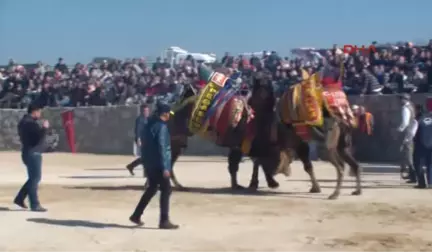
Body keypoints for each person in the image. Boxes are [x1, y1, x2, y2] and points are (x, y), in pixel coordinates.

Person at [129, 103, 179, 229]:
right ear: (165, 114)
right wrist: (165, 168)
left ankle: (136, 215)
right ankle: (164, 220)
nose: (169, 117)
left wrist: (146, 162)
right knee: (166, 189)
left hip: (150, 163)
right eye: (169, 114)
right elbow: (162, 148)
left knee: (151, 189)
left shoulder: (148, 125)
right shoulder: (161, 127)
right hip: (159, 165)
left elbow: (145, 146)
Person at [14, 103, 49, 212]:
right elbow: (36, 139)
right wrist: (44, 129)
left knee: (33, 178)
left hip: (27, 151)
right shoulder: (31, 124)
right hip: (33, 153)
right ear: (34, 111)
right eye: (39, 112)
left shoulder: (23, 122)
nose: (40, 114)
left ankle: (20, 198)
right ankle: (34, 204)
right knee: (35, 178)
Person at [398, 94, 418, 183]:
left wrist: (399, 129)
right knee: (409, 155)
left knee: (408, 155)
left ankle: (413, 176)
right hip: (411, 133)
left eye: (401, 99)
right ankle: (412, 175)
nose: (400, 101)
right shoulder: (411, 106)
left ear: (404, 99)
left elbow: (405, 123)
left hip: (408, 133)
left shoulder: (405, 108)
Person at [126, 104, 150, 176]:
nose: (146, 112)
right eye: (145, 111)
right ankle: (145, 173)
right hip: (142, 140)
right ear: (142, 111)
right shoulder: (140, 119)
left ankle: (131, 166)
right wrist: (139, 139)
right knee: (147, 157)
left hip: (147, 140)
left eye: (147, 110)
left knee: (145, 157)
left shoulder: (148, 119)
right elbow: (137, 130)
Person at [413, 108, 432, 188]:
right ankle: (430, 182)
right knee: (430, 164)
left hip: (420, 145)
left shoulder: (417, 120)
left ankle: (422, 183)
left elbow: (412, 133)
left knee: (419, 164)